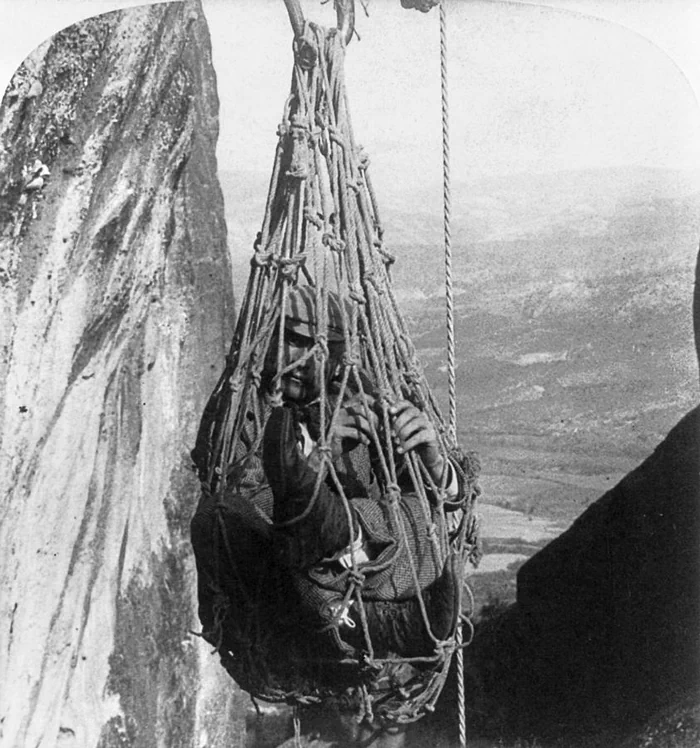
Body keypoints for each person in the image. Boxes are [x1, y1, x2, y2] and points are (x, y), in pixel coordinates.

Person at [190, 285, 479, 693]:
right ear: (267, 339)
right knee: (222, 518)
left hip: (372, 578)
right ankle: (342, 558)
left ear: (343, 353)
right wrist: (311, 456)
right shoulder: (241, 409)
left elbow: (451, 514)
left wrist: (434, 462)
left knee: (417, 508)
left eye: (325, 346)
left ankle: (347, 541)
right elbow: (247, 505)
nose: (303, 360)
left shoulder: (367, 399)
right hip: (287, 608)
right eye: (292, 340)